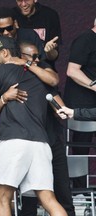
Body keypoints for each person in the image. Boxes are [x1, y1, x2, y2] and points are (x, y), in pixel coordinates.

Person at [0, 36, 67, 216]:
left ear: (4, 52)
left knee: (3, 199)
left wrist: (3, 98)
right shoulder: (39, 74)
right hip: (40, 144)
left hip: (12, 142)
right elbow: (56, 89)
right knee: (48, 199)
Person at [6, 41, 75, 216]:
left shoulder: (42, 72)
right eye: (33, 57)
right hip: (29, 141)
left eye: (38, 56)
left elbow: (54, 83)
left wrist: (28, 64)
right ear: (20, 57)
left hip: (51, 139)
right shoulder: (13, 78)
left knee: (63, 193)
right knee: (29, 201)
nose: (38, 60)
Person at [63, 21, 96, 214]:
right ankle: (79, 193)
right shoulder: (85, 39)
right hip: (80, 103)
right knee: (80, 149)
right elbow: (72, 70)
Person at [0, 7, 45, 74]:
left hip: (32, 78)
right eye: (0, 30)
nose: (5, 32)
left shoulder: (30, 35)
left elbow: (43, 63)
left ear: (15, 23)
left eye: (9, 28)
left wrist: (24, 63)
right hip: (6, 82)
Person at [13, 0, 62, 66]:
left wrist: (49, 52)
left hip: (45, 67)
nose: (23, 4)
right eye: (19, 0)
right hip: (19, 69)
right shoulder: (12, 16)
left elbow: (54, 56)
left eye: (27, 0)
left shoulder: (50, 15)